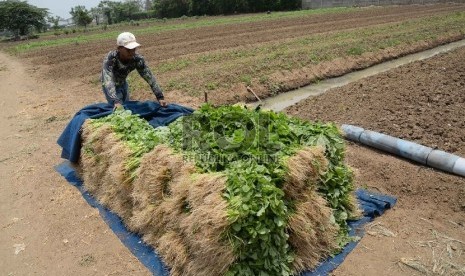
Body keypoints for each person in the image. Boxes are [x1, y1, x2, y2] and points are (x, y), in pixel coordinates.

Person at [101, 32, 167, 109]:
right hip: (110, 84)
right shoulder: (111, 59)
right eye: (128, 49)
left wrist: (160, 97)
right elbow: (108, 80)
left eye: (134, 49)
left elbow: (149, 77)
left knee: (126, 105)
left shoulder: (137, 59)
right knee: (118, 108)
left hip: (123, 82)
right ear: (119, 48)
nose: (132, 52)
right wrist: (116, 101)